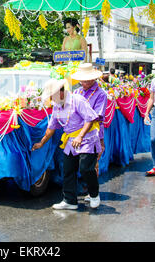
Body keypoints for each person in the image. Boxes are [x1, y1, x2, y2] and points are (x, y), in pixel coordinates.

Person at [32, 79, 102, 210]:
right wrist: (41, 143)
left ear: (61, 92)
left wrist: (80, 136)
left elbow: (90, 119)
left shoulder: (77, 100)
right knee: (68, 170)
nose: (51, 99)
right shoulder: (57, 106)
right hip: (71, 141)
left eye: (52, 96)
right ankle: (70, 201)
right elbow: (51, 127)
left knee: (85, 168)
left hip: (87, 138)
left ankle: (94, 195)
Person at [71, 63, 106, 178]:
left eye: (86, 80)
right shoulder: (77, 92)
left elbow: (96, 116)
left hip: (92, 131)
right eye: (82, 80)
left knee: (91, 162)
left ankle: (92, 191)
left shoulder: (100, 94)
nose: (84, 83)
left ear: (93, 79)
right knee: (78, 161)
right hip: (76, 131)